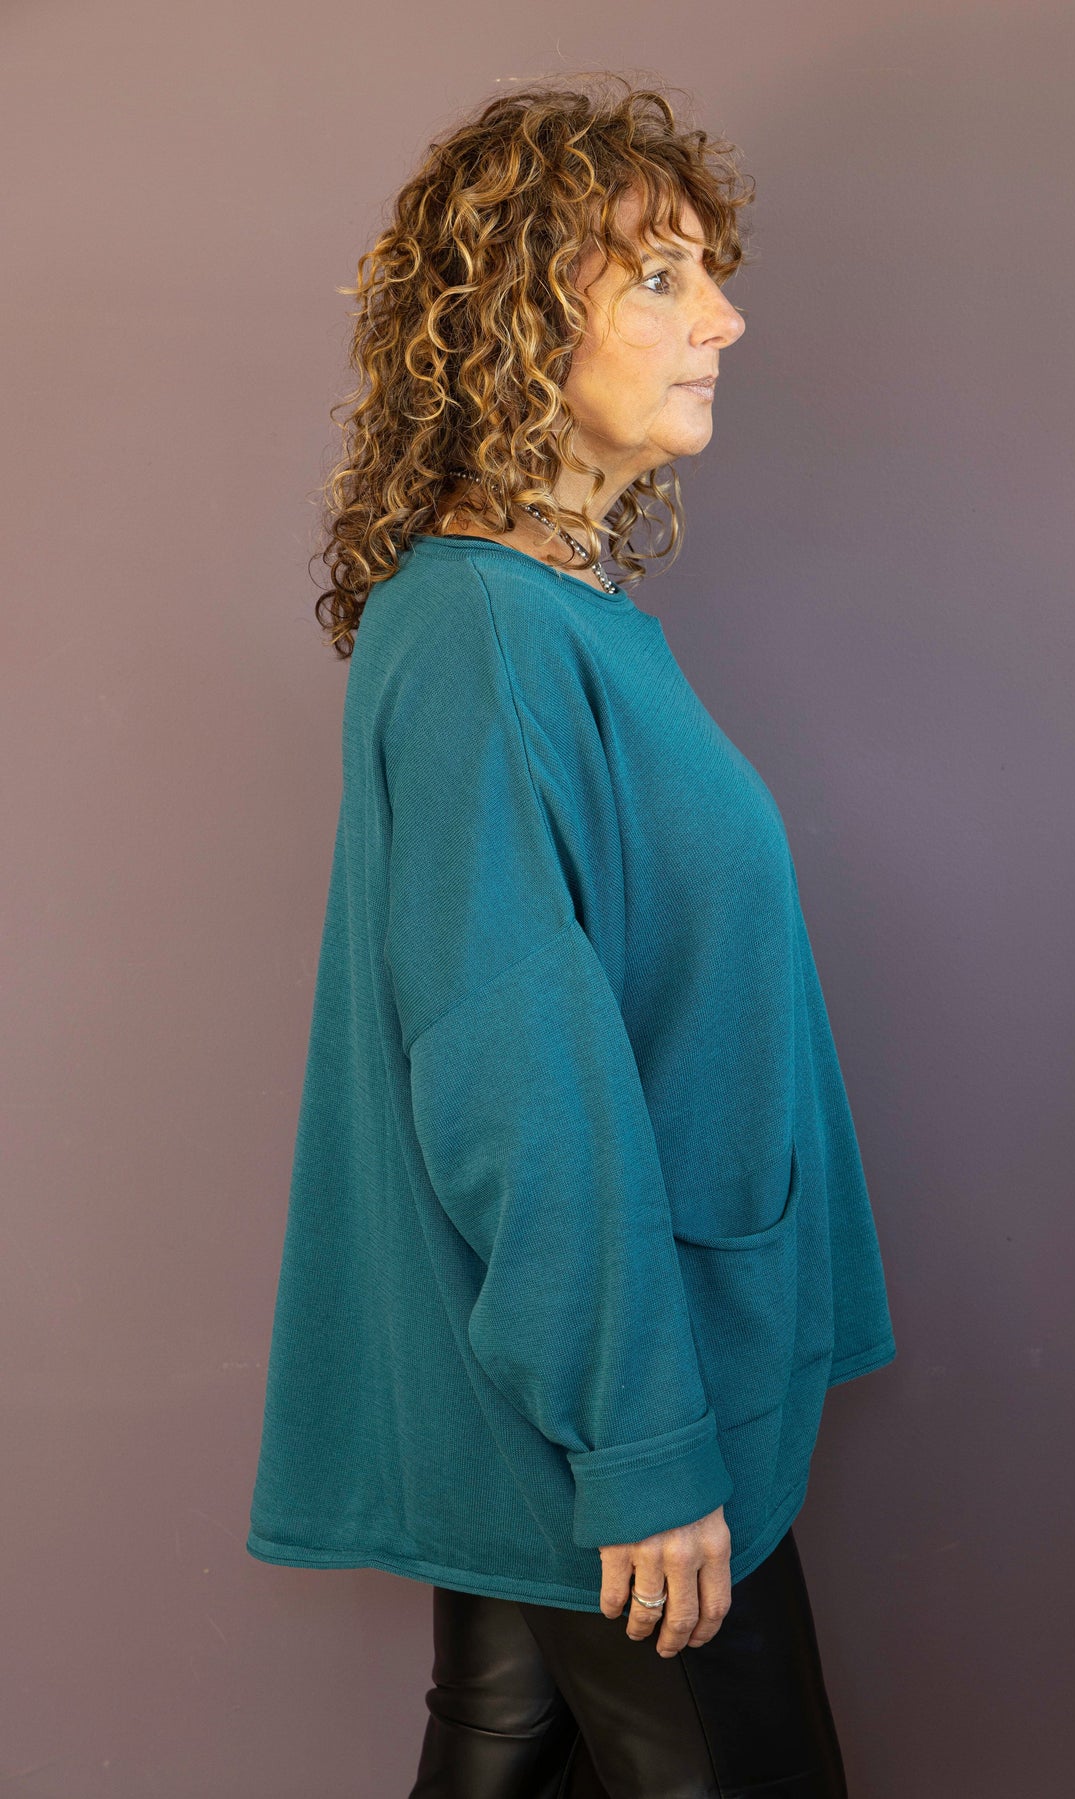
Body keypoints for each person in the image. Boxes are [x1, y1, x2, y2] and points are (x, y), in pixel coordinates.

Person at [246, 72, 897, 1796]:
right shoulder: (482, 631)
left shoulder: (562, 611)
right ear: (517, 325)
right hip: (631, 1398)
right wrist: (644, 1444)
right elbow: (516, 1072)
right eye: (661, 278)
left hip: (614, 1369)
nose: (725, 319)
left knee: (508, 1744)